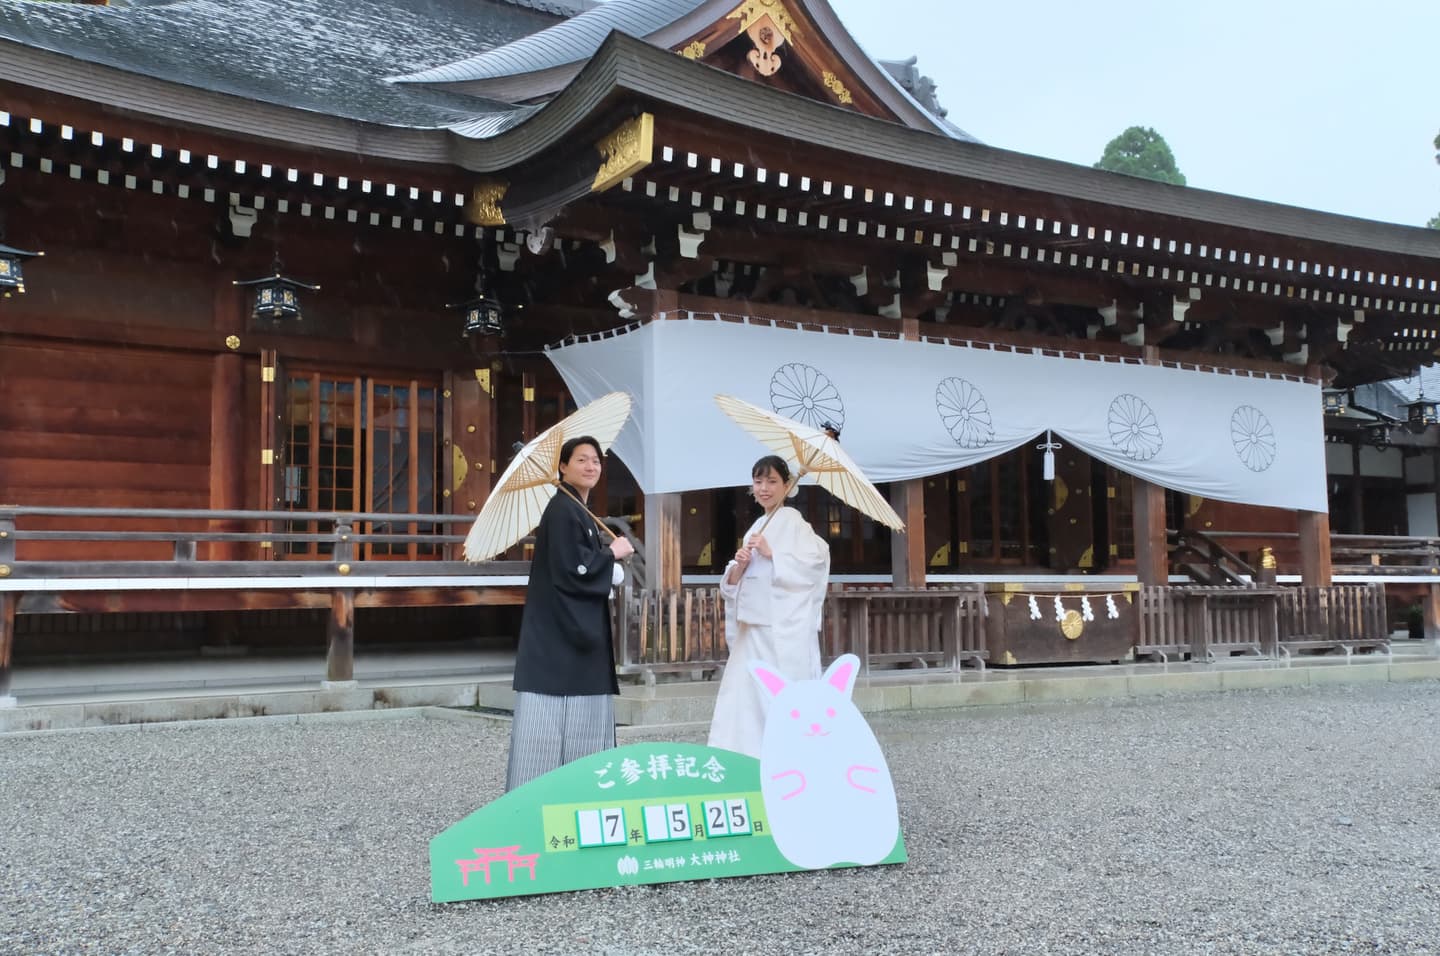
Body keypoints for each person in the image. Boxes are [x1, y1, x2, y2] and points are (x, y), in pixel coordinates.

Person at [505, 435, 635, 791]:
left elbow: (582, 566)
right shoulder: (564, 510)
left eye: (596, 460)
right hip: (562, 638)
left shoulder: (576, 510)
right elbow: (574, 570)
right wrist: (613, 555)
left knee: (575, 718)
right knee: (554, 718)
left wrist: (606, 559)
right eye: (581, 460)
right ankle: (551, 796)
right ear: (562, 467)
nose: (591, 466)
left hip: (568, 633)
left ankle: (571, 792)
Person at [707, 455, 831, 758]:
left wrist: (773, 553)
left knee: (775, 695)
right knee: (743, 698)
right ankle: (742, 756)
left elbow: (816, 562)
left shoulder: (794, 523)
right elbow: (737, 581)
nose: (764, 488)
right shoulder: (759, 524)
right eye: (759, 481)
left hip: (780, 631)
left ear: (787, 486)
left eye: (772, 481)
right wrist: (739, 566)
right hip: (752, 628)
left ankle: (781, 757)